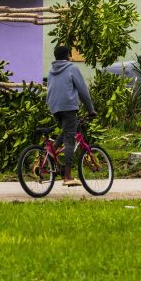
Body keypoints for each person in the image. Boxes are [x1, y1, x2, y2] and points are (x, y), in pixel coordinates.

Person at [46, 44, 96, 186]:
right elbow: (83, 91)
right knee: (70, 140)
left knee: (69, 129)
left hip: (54, 107)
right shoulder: (72, 68)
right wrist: (91, 109)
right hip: (68, 107)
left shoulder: (51, 70)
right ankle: (67, 176)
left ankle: (52, 149)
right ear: (67, 55)